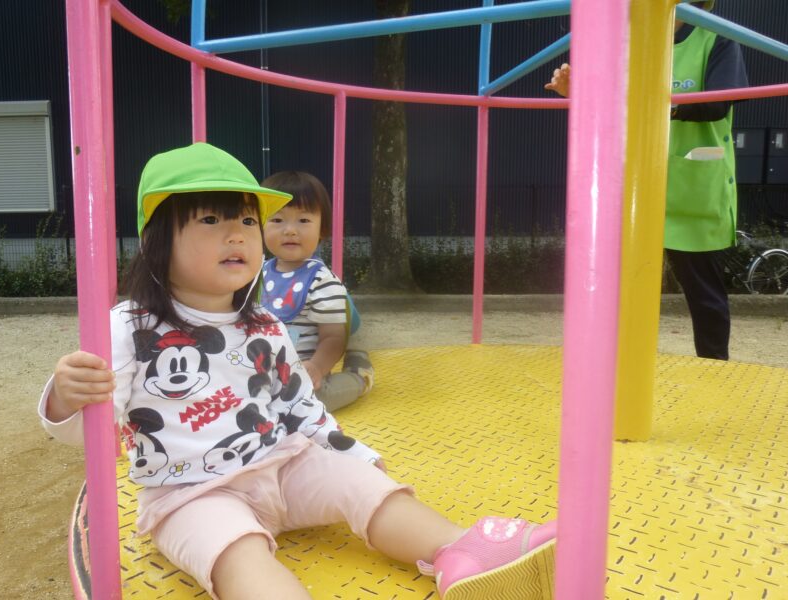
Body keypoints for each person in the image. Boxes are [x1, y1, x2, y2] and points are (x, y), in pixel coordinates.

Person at [38, 142, 556, 600]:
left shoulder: (263, 323)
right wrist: (67, 397)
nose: (236, 235)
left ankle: (459, 551)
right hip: (191, 493)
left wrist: (350, 456)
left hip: (282, 465)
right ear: (157, 240)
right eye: (211, 220)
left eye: (247, 222)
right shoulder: (128, 326)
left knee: (363, 487)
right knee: (236, 551)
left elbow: (298, 403)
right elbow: (93, 435)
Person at [545, 0, 747, 360]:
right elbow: (611, 107)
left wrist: (655, 104)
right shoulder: (633, 42)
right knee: (622, 292)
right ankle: (618, 370)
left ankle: (715, 370)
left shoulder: (716, 39)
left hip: (694, 192)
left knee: (705, 298)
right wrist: (579, 92)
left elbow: (719, 102)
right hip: (638, 192)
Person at [259, 170, 372, 412]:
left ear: (322, 229)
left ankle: (358, 376)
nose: (290, 230)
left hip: (304, 371)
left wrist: (318, 368)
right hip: (261, 370)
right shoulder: (255, 275)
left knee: (312, 402)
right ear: (260, 226)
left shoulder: (322, 282)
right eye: (277, 220)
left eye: (303, 220)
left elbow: (333, 337)